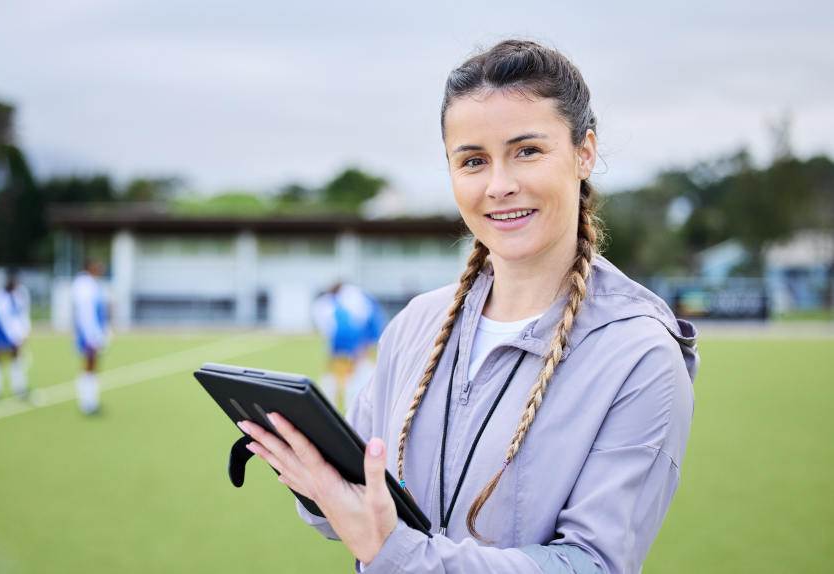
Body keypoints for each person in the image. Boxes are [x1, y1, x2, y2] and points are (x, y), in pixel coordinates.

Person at [237, 40, 699, 574]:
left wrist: (398, 553)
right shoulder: (416, 325)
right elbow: (358, 507)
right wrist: (314, 477)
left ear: (584, 153)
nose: (499, 186)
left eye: (527, 150)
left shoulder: (638, 352)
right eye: (473, 160)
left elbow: (592, 565)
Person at [312, 283, 386, 410]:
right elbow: (364, 319)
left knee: (334, 363)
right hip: (353, 332)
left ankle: (332, 390)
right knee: (355, 363)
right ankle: (349, 392)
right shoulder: (356, 296)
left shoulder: (326, 303)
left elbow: (326, 326)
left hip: (339, 334)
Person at [0, 270, 31, 399]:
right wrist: (15, 337)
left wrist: (25, 331)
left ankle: (19, 388)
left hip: (13, 331)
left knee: (16, 357)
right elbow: (4, 320)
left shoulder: (20, 294)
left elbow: (22, 314)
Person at [71, 260, 109, 415]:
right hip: (88, 334)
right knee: (89, 365)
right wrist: (92, 336)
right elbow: (86, 314)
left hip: (92, 332)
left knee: (92, 366)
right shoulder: (84, 285)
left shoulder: (91, 284)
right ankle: (87, 402)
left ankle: (90, 400)